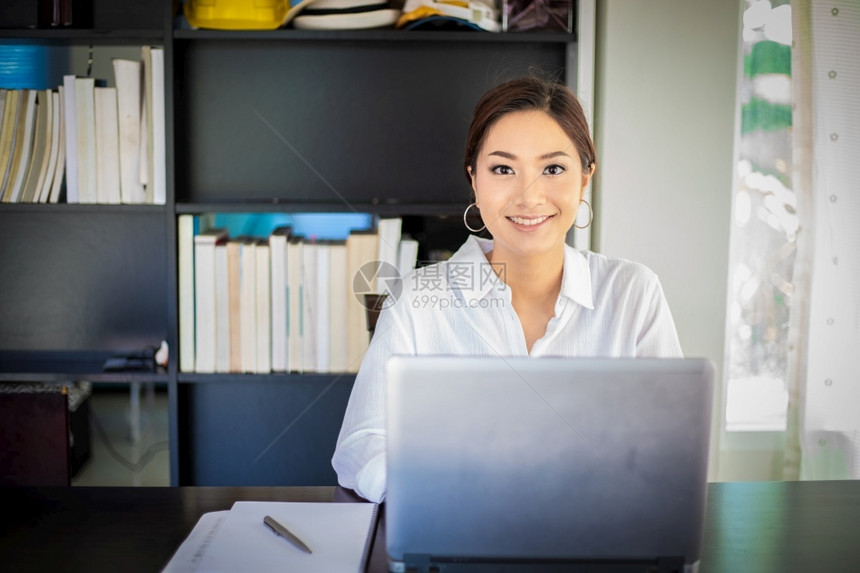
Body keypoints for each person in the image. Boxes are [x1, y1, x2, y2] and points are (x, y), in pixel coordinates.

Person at [331, 76, 682, 503]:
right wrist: (449, 492)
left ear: (586, 178)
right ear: (475, 180)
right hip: (456, 530)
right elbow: (362, 445)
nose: (529, 197)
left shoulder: (633, 294)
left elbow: (670, 450)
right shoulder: (417, 303)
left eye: (552, 169)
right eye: (503, 169)